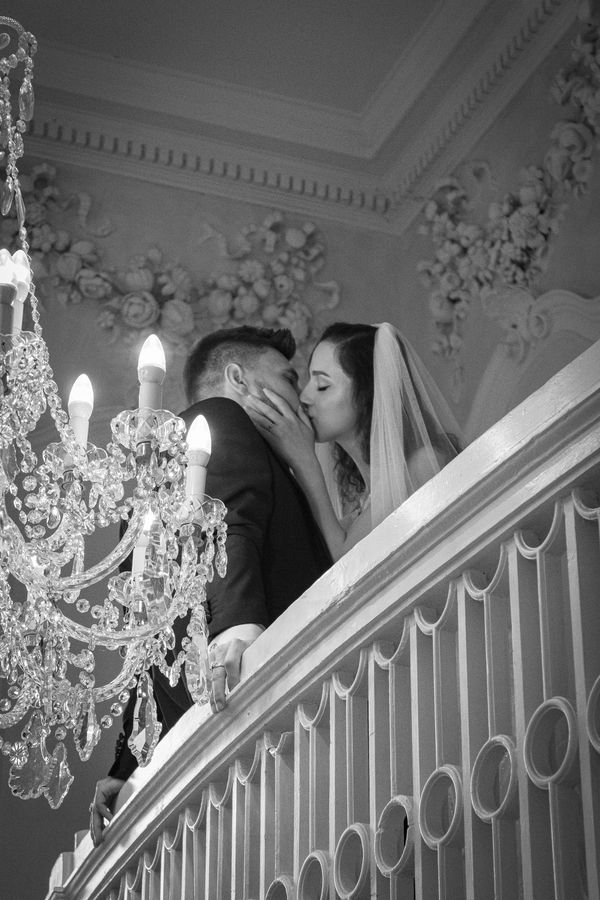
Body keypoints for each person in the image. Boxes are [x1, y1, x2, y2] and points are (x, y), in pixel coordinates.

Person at [90, 326, 332, 845]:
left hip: (215, 718)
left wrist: (128, 759)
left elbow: (151, 628)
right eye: (289, 378)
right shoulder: (221, 420)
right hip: (255, 687)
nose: (302, 398)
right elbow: (227, 526)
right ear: (239, 378)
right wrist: (238, 631)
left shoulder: (159, 473)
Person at [244, 321, 462, 560]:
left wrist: (304, 462)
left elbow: (346, 564)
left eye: (323, 386)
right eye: (309, 382)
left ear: (369, 394)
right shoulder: (359, 502)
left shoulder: (424, 463)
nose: (304, 397)